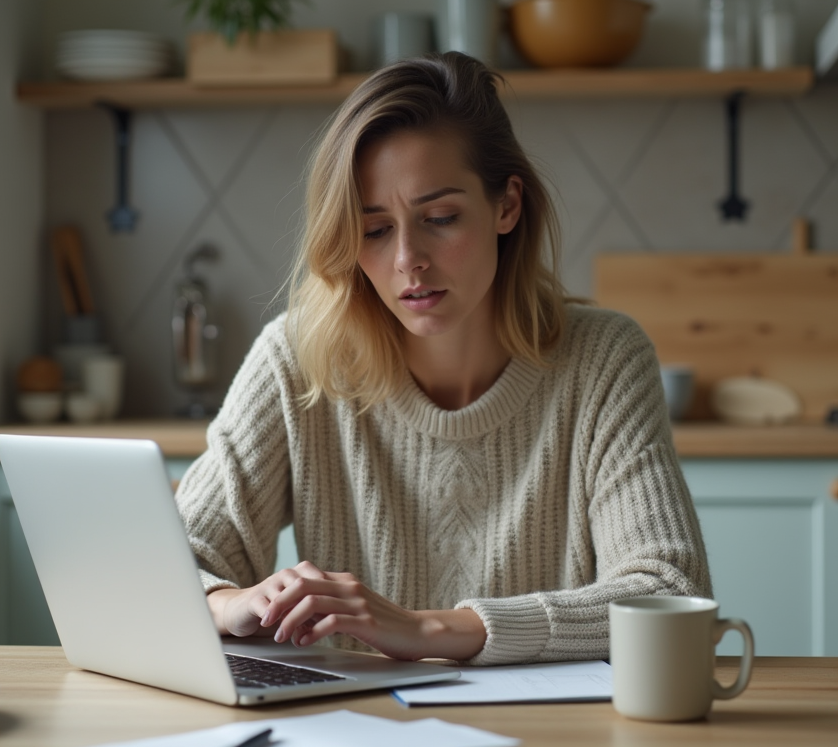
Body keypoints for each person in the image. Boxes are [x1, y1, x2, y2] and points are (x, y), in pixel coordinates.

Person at [177, 52, 712, 666]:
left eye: (440, 218)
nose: (408, 258)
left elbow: (672, 592)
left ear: (507, 206)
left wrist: (431, 631)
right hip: (359, 739)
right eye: (374, 229)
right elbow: (167, 562)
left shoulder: (605, 360)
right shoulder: (296, 359)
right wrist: (226, 603)